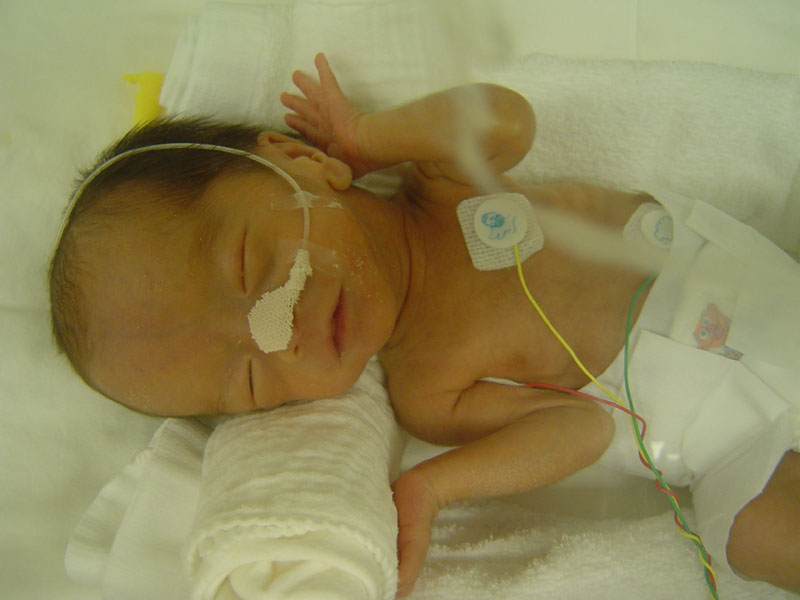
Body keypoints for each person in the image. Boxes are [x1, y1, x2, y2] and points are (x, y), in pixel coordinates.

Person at [49, 53, 800, 596]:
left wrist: (366, 137)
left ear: (298, 160)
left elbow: (507, 118)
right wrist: (432, 488)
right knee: (760, 539)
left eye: (249, 267)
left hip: (766, 291)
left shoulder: (442, 189)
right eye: (249, 377)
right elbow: (582, 429)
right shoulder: (429, 391)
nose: (279, 331)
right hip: (737, 446)